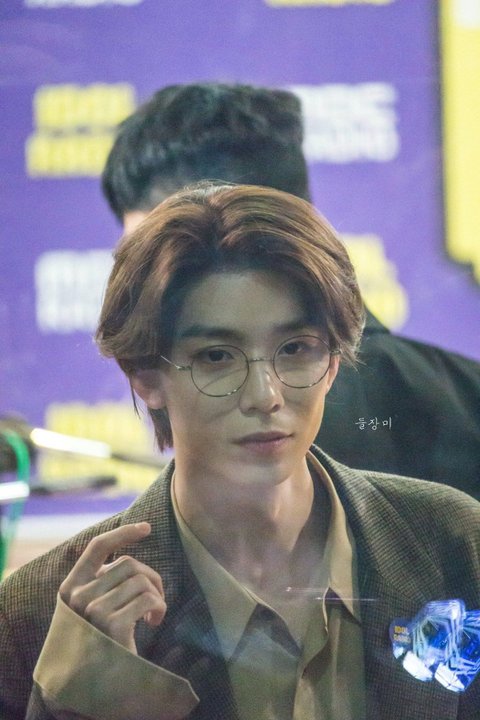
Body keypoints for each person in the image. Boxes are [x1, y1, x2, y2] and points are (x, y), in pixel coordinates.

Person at [1, 183, 479, 720]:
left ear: (334, 361)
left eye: (295, 349)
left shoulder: (453, 544)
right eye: (216, 357)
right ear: (145, 376)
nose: (264, 395)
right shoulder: (39, 615)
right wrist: (85, 699)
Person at [101, 82, 480, 498]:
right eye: (216, 356)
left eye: (148, 247)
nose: (265, 397)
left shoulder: (454, 521)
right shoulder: (467, 391)